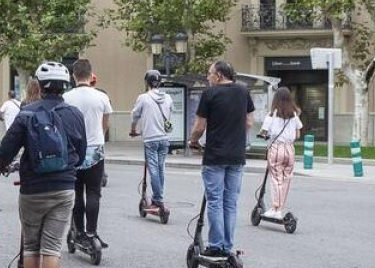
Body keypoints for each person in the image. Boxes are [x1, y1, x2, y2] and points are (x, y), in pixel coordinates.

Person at [0, 62, 86, 268]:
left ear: (40, 85)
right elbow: (82, 150)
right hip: (64, 188)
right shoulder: (74, 114)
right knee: (52, 248)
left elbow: (6, 150)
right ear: (64, 85)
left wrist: (2, 166)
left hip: (33, 188)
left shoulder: (27, 113)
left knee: (32, 246)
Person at [188, 61, 254, 257]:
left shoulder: (209, 94)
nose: (208, 78)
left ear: (218, 75)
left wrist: (193, 141)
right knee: (231, 202)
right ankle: (227, 245)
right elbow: (249, 122)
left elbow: (199, 127)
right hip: (236, 155)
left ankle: (216, 245)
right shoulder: (243, 91)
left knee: (215, 200)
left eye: (209, 74)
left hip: (215, 155)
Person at [63, 59, 113, 248]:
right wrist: (98, 135)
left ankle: (79, 231)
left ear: (73, 75)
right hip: (95, 150)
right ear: (91, 74)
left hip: (74, 150)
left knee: (76, 192)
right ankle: (92, 232)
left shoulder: (67, 98)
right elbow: (106, 122)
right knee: (93, 192)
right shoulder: (101, 97)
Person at [129, 69, 173, 209]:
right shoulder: (168, 98)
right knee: (160, 169)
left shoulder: (143, 98)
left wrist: (133, 130)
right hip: (164, 138)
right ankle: (157, 197)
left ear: (147, 82)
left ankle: (158, 199)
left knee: (153, 169)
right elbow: (169, 114)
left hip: (150, 139)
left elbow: (135, 116)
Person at [257, 88, 303, 218]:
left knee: (276, 178)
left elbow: (263, 132)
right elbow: (298, 134)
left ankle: (275, 209)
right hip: (290, 150)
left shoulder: (272, 115)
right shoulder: (293, 115)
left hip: (277, 149)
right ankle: (280, 207)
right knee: (286, 178)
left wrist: (265, 134)